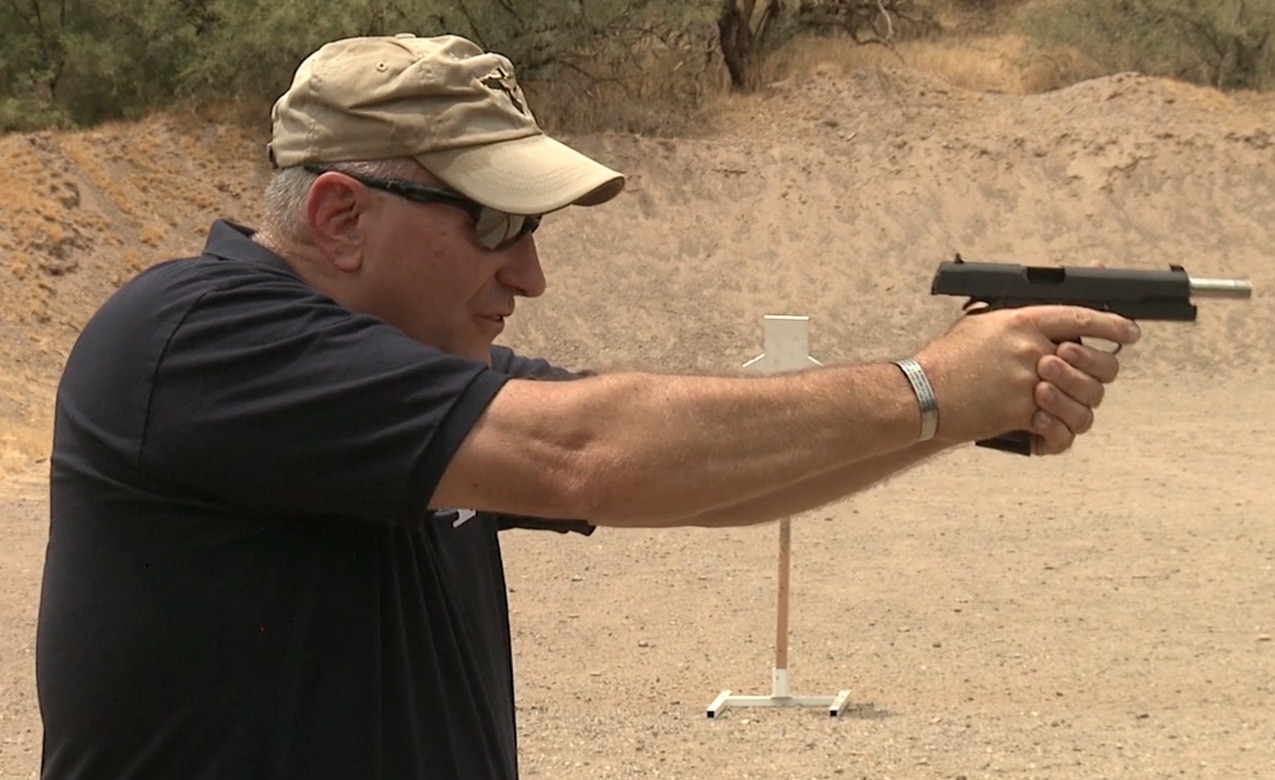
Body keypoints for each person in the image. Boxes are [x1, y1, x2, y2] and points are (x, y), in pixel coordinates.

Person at [34, 32, 1141, 780]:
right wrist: (925, 386)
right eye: (495, 226)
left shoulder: (397, 378)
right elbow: (589, 453)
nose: (527, 276)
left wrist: (947, 411)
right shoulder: (195, 336)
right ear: (338, 214)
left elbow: (709, 482)